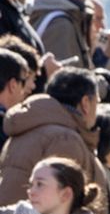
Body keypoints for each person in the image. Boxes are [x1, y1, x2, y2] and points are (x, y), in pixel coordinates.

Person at [0, 65, 102, 204]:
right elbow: (59, 209)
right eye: (97, 102)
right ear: (85, 103)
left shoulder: (29, 127)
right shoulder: (65, 139)